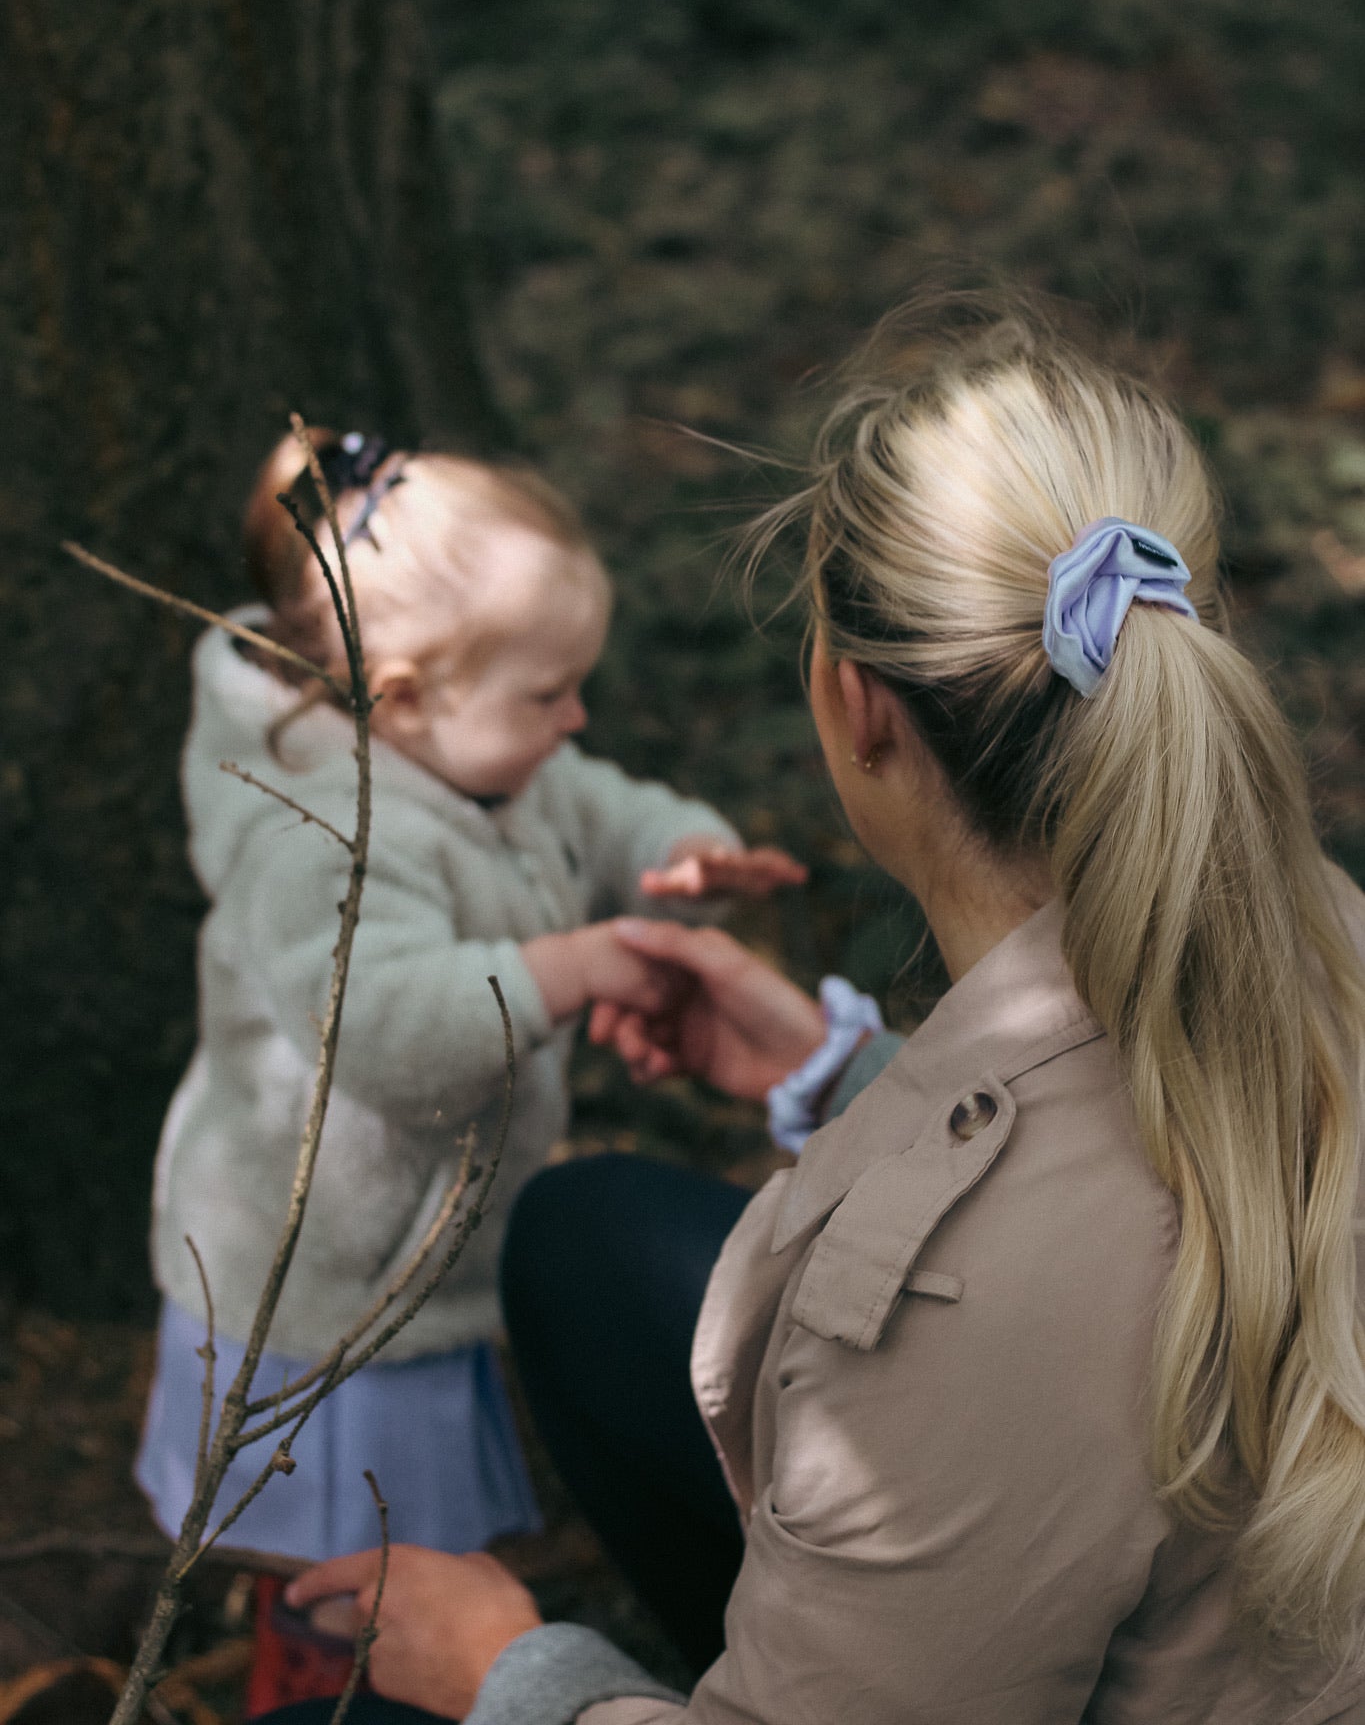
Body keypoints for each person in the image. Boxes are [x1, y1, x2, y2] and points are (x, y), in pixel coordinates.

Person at [271, 323, 1365, 1723]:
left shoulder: (956, 1314)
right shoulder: (1311, 919)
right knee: (589, 1243)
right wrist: (842, 1069)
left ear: (858, 708)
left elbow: (1053, 1278)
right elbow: (1144, 1163)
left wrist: (518, 1672)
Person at [135, 429, 805, 1594]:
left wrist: (683, 851)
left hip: (422, 1258)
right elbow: (384, 1026)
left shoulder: (481, 756)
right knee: (344, 1559)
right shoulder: (316, 834)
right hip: (322, 1291)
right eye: (550, 692)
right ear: (400, 699)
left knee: (407, 1556)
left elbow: (599, 806)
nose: (578, 717)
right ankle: (327, 1684)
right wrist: (576, 965)